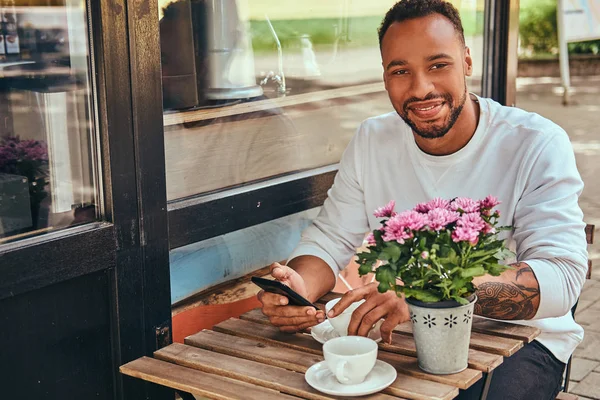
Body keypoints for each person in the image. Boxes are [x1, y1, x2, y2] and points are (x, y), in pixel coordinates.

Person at [257, 0, 588, 398]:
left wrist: (421, 294)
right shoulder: (371, 141)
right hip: (404, 337)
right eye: (400, 71)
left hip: (522, 341)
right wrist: (298, 291)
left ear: (467, 61)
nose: (420, 88)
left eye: (438, 65)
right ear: (384, 76)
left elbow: (562, 279)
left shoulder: (535, 143)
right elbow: (328, 239)